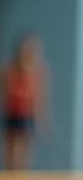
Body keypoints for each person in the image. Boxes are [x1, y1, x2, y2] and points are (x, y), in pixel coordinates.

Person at [2, 34, 47, 171]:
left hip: (26, 113)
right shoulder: (10, 71)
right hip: (13, 112)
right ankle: (11, 171)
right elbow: (5, 94)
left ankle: (22, 172)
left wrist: (41, 119)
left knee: (24, 145)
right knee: (12, 144)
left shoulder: (37, 73)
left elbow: (39, 99)